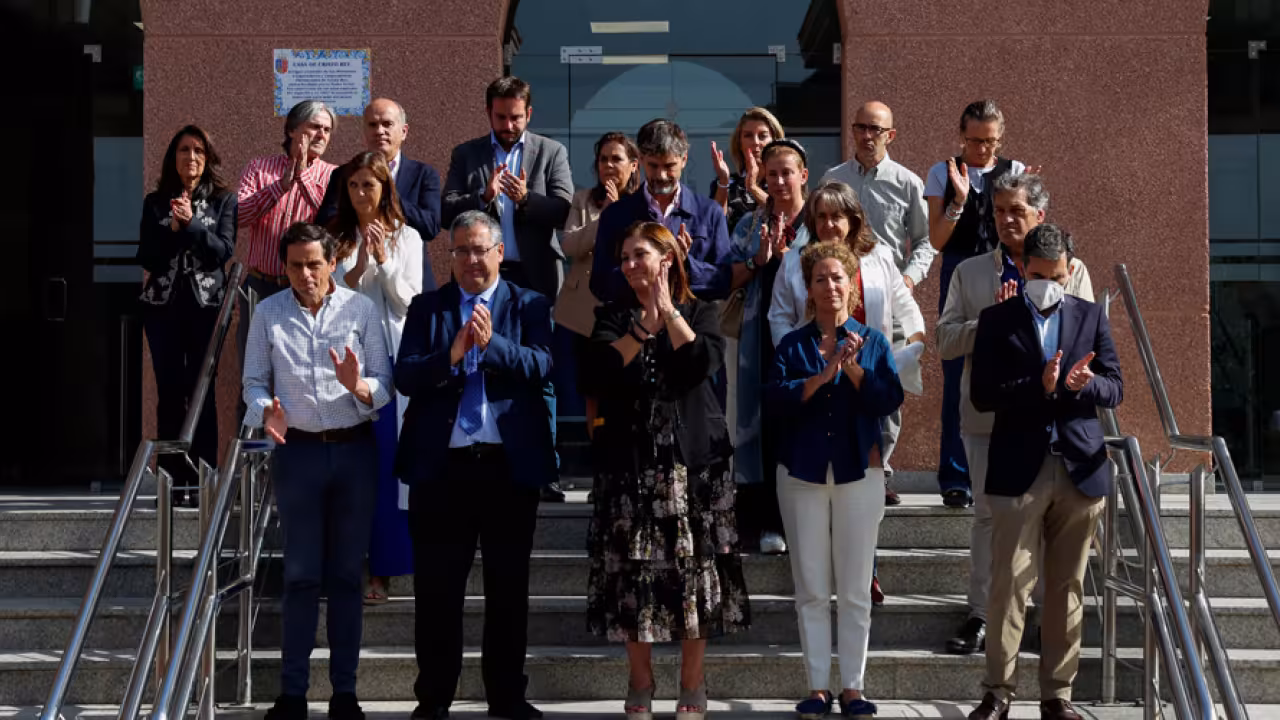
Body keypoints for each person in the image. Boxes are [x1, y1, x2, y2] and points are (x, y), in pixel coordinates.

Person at [584, 221, 749, 720]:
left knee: (694, 577)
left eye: (642, 255)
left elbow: (701, 362)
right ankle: (640, 682)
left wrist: (669, 314)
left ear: (668, 258)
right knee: (633, 578)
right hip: (632, 466)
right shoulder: (612, 316)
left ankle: (692, 685)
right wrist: (641, 329)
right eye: (626, 257)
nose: (632, 265)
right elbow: (599, 373)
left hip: (694, 466)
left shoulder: (702, 310)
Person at [395, 210, 555, 720]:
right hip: (443, 470)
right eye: (460, 250)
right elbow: (406, 375)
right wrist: (453, 353)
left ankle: (506, 696)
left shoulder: (529, 304)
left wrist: (493, 346)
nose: (470, 260)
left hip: (507, 468)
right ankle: (435, 698)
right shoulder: (429, 308)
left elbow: (542, 365)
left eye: (479, 249)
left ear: (499, 252)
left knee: (508, 591)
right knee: (438, 592)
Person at [966, 223, 1122, 720]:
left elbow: (1116, 387)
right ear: (1022, 268)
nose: (1047, 283)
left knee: (1067, 586)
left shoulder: (1090, 315)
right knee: (1009, 584)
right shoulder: (996, 319)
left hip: (1079, 470)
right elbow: (982, 395)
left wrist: (1083, 384)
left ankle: (1058, 696)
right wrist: (1039, 384)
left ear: (1070, 270)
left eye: (1055, 274)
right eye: (1037, 274)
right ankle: (998, 692)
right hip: (1018, 470)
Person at [936, 174, 1093, 656]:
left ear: (1039, 216)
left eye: (1017, 211)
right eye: (999, 210)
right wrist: (992, 321)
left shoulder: (1073, 268)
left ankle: (1046, 620)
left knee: (1051, 522)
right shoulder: (971, 272)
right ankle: (982, 614)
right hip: (989, 415)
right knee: (988, 516)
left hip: (1053, 421)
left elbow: (1085, 334)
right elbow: (944, 340)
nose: (1007, 220)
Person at [244, 222, 391, 720]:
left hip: (353, 452)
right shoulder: (268, 312)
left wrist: (359, 386)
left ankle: (344, 693)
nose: (304, 275)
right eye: (294, 265)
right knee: (301, 576)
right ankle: (292, 695)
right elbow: (251, 382)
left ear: (332, 263)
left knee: (348, 576)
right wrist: (267, 410)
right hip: (298, 454)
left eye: (313, 264)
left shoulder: (361, 309)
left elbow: (383, 382)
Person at [770, 182, 926, 605]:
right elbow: (780, 316)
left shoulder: (878, 258)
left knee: (862, 487)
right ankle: (821, 576)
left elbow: (902, 303)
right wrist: (803, 360)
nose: (829, 224)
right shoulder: (795, 261)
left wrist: (911, 341)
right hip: (816, 383)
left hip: (865, 379)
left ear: (853, 220)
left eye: (837, 216)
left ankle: (864, 570)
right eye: (821, 216)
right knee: (819, 486)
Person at [768, 240, 903, 720]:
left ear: (853, 285)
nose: (829, 286)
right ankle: (817, 687)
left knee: (852, 588)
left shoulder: (873, 342)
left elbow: (888, 398)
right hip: (802, 472)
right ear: (809, 288)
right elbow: (776, 401)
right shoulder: (793, 344)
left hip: (857, 473)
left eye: (837, 277)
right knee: (809, 587)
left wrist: (851, 370)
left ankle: (852, 687)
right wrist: (820, 378)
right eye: (820, 278)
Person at [442, 75, 572, 502]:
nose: (509, 125)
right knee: (482, 362)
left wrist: (524, 200)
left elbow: (562, 208)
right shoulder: (468, 153)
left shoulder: (551, 151)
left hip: (533, 279)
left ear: (528, 113)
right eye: (501, 117)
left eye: (516, 117)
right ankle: (486, 451)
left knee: (540, 370)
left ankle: (545, 465)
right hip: (483, 281)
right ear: (489, 113)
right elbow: (447, 211)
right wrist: (484, 196)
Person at [924, 100, 1037, 508]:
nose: (982, 150)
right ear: (961, 136)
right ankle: (956, 476)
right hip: (960, 268)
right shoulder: (943, 171)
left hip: (1008, 267)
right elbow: (936, 240)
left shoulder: (1015, 170)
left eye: (990, 142)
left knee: (1015, 365)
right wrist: (958, 198)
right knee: (957, 374)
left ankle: (1013, 462)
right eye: (974, 141)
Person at [820, 101, 933, 502]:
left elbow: (925, 241)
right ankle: (842, 459)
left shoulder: (907, 182)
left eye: (875, 129)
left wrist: (908, 277)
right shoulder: (833, 179)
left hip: (885, 297)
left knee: (886, 382)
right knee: (839, 379)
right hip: (837, 299)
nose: (866, 136)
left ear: (891, 135)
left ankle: (878, 468)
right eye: (860, 128)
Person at [327, 150, 424, 604]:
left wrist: (384, 261)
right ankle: (344, 565)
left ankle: (382, 570)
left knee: (387, 468)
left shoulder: (409, 237)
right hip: (346, 366)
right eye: (353, 185)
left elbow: (410, 302)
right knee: (348, 471)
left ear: (386, 188)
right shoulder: (335, 237)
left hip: (391, 364)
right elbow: (334, 297)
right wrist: (362, 262)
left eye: (369, 184)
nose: (361, 193)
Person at [137, 124, 237, 507]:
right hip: (163, 308)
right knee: (169, 393)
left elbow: (221, 251)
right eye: (183, 150)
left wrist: (191, 225)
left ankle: (202, 480)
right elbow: (146, 256)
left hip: (206, 308)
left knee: (202, 393)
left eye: (198, 150)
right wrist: (174, 229)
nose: (190, 157)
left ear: (207, 158)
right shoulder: (155, 202)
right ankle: (171, 483)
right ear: (172, 157)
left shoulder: (224, 200)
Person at [724, 138, 811, 555]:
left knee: (803, 422)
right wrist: (760, 257)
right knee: (760, 425)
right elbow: (726, 278)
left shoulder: (820, 220)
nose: (778, 181)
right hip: (758, 338)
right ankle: (767, 521)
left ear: (803, 175)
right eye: (771, 173)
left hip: (810, 337)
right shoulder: (748, 223)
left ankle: (805, 521)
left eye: (786, 172)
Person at [236, 100, 339, 366]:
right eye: (315, 127)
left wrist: (302, 176)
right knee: (255, 370)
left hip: (307, 288)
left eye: (327, 130)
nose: (321, 135)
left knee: (302, 370)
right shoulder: (259, 168)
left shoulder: (334, 176)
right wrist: (280, 187)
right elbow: (239, 216)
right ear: (293, 129)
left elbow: (331, 221)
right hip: (260, 286)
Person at [591, 119, 732, 304]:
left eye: (669, 166)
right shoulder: (616, 214)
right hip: (633, 324)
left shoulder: (709, 212)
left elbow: (723, 281)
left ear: (684, 160)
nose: (661, 175)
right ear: (640, 160)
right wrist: (643, 272)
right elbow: (600, 284)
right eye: (653, 166)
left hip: (691, 326)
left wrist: (684, 264)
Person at [555, 131, 640, 435]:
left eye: (616, 158)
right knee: (591, 391)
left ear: (633, 164)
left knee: (624, 389)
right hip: (581, 315)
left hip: (626, 314)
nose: (608, 165)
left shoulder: (641, 204)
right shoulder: (583, 200)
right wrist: (604, 216)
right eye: (603, 159)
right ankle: (595, 462)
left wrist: (619, 213)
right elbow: (570, 246)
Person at [317, 98, 442, 286]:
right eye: (373, 125)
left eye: (387, 124)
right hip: (355, 279)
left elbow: (430, 227)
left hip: (408, 283)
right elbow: (325, 223)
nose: (379, 131)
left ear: (404, 131)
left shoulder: (423, 174)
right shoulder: (344, 174)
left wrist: (387, 189)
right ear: (365, 133)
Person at [710, 107, 784, 233]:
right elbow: (715, 224)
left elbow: (784, 215)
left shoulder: (783, 182)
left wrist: (753, 187)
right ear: (740, 142)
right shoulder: (727, 183)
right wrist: (723, 181)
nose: (755, 142)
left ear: (775, 141)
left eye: (762, 136)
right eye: (748, 135)